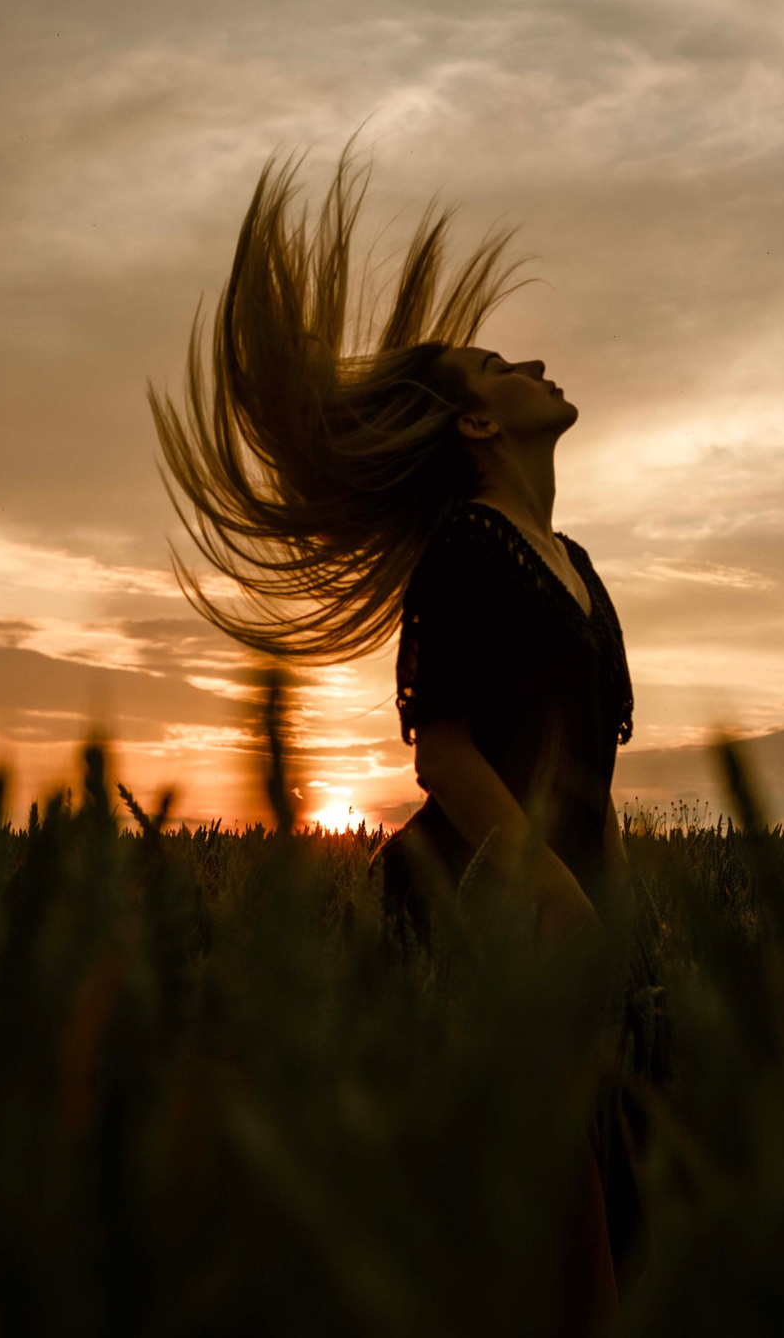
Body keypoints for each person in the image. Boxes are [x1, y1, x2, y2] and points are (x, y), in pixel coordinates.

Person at [150, 149, 640, 1320]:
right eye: (494, 363)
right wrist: (548, 893)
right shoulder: (468, 551)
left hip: (561, 887)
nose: (528, 360)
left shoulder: (576, 566)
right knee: (545, 1167)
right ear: (477, 421)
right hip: (477, 890)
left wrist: (611, 893)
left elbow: (591, 763)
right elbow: (447, 753)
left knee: (594, 1158)